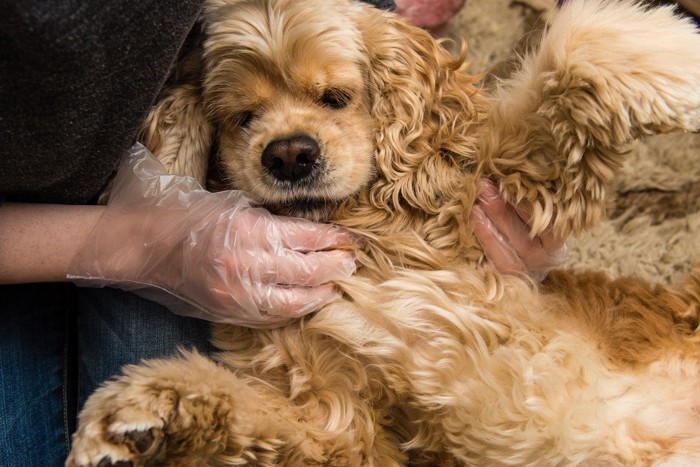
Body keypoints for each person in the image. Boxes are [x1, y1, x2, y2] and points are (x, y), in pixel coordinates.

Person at [0, 0, 566, 465]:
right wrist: (138, 249)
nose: (289, 148)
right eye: (246, 117)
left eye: (333, 98)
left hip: (141, 181)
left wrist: (518, 203)